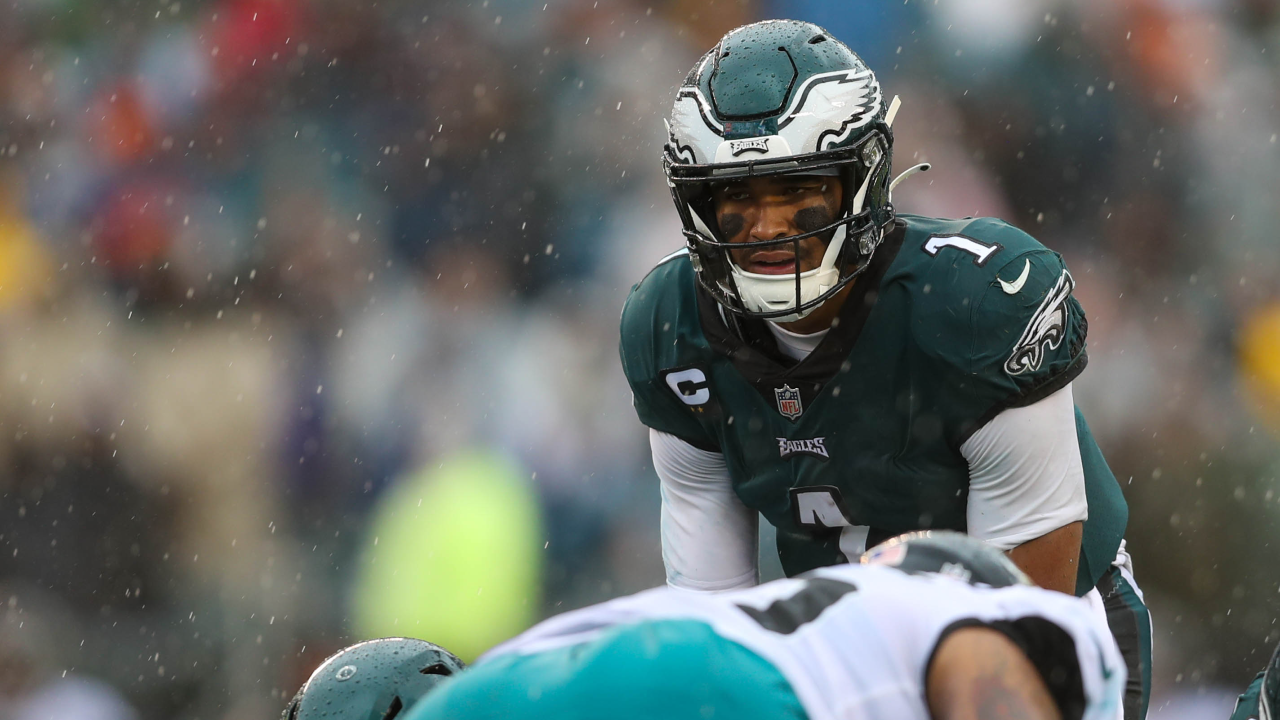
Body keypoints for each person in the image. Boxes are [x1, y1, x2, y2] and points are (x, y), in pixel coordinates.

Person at [617, 19, 1151, 718]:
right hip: (846, 649)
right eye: (737, 197)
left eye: (798, 188)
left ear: (861, 178)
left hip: (1054, 639)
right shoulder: (671, 325)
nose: (768, 227)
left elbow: (1027, 622)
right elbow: (714, 622)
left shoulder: (973, 307)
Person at [285, 532, 1129, 720]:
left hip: (550, 678)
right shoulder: (999, 612)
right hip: (707, 681)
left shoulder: (861, 608)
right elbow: (982, 675)